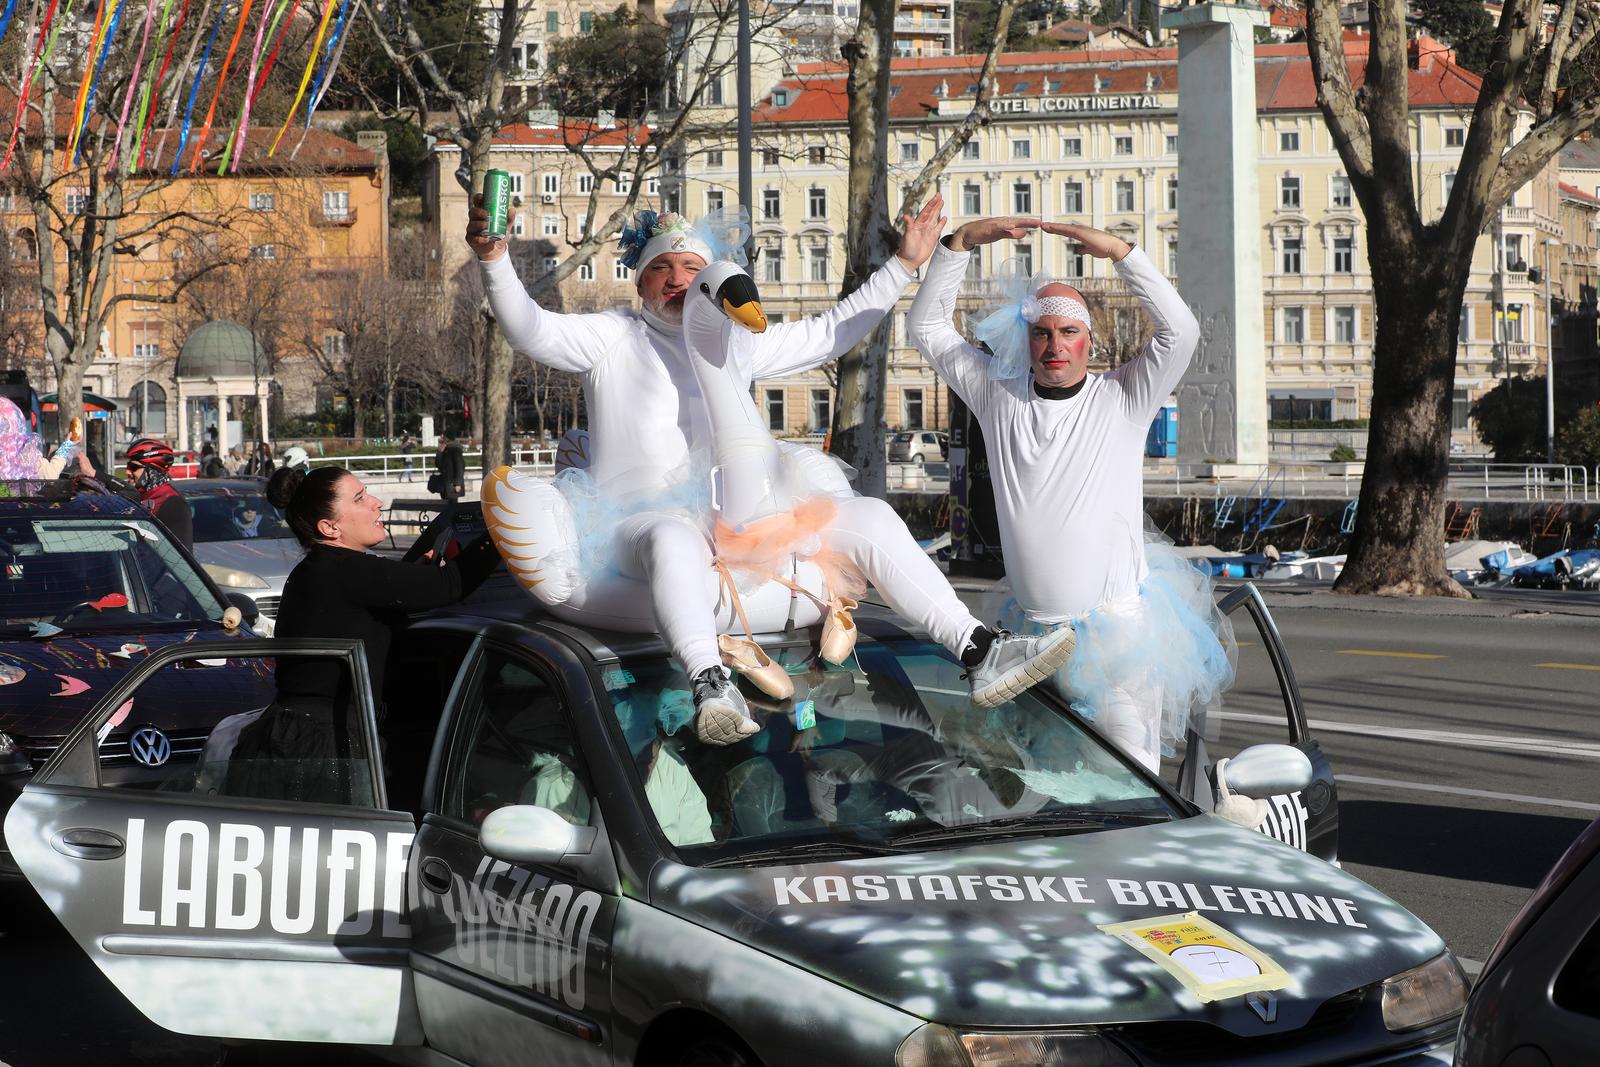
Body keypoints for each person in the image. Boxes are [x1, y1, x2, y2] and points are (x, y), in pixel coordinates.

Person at [468, 198, 1074, 743]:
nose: (678, 281)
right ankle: (709, 681)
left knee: (867, 514)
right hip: (641, 522)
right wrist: (495, 258)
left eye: (690, 270)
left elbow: (833, 331)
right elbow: (529, 327)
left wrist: (905, 264)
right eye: (663, 269)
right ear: (641, 282)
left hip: (742, 519)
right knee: (672, 538)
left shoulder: (741, 344)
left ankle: (976, 649)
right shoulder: (610, 338)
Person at [906, 217, 1234, 773]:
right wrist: (958, 245)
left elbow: (1181, 331)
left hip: (1120, 645)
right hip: (1032, 641)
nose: (1055, 346)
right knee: (1049, 791)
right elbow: (928, 327)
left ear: (1089, 340)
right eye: (1042, 332)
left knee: (1132, 787)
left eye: (1068, 332)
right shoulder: (997, 394)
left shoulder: (1123, 397)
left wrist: (1121, 254)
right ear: (1026, 338)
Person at [266, 465, 500, 708]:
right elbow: (450, 584)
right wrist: (504, 530)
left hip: (302, 728)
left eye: (366, 493)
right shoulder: (348, 570)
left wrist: (415, 572)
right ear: (330, 527)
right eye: (360, 499)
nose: (376, 502)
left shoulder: (319, 568)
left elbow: (371, 603)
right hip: (328, 738)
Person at [125, 438, 194, 549]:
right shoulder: (142, 495)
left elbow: (181, 557)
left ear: (152, 471)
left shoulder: (174, 504)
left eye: (133, 467)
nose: (127, 472)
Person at [434, 435, 464, 502]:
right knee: (445, 504)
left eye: (442, 437)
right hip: (444, 483)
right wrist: (439, 452)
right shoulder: (444, 450)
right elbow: (438, 464)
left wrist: (458, 483)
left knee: (453, 505)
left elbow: (460, 467)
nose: (441, 439)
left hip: (452, 484)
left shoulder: (455, 449)